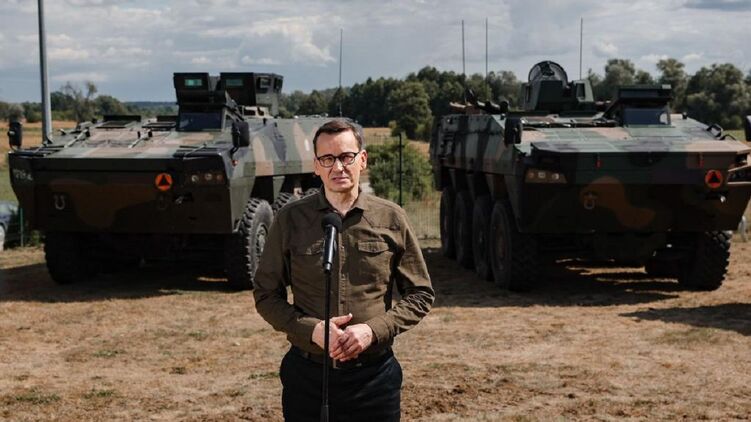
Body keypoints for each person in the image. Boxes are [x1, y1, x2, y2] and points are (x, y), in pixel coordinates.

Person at [253, 119, 434, 421]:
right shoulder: (290, 219)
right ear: (316, 166)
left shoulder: (391, 218)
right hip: (307, 377)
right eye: (327, 158)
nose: (338, 167)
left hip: (374, 379)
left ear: (362, 160)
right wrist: (312, 330)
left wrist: (372, 330)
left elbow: (420, 294)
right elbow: (265, 295)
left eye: (346, 156)